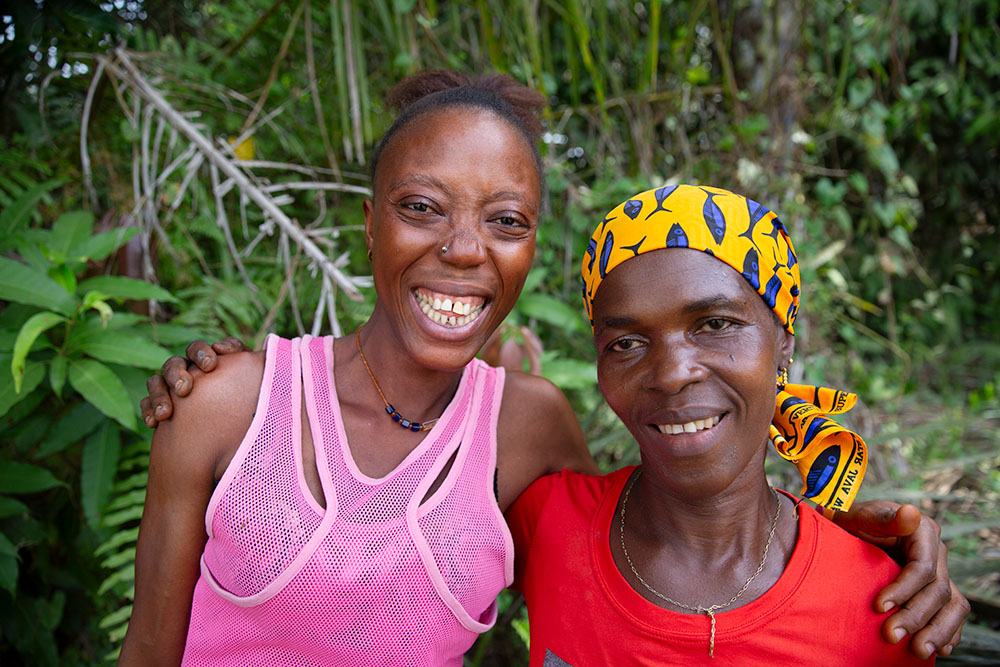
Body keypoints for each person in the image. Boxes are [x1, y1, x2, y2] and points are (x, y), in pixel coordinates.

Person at [128, 72, 967, 665]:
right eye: (421, 207)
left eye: (505, 219)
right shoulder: (229, 404)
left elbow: (665, 523)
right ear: (369, 223)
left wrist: (845, 536)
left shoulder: (526, 428)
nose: (462, 248)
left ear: (530, 247)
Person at [506, 184, 961, 665]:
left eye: (716, 324)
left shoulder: (883, 607)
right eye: (627, 343)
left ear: (783, 340)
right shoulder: (545, 523)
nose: (671, 373)